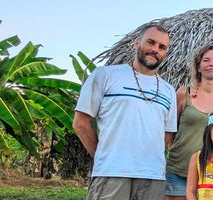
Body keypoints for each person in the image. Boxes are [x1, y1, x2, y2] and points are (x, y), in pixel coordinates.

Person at [73, 23, 177, 199]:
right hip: (112, 173)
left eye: (162, 47)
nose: (155, 49)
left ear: (165, 53)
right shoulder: (105, 75)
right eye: (150, 42)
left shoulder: (168, 91)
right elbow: (81, 122)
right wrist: (102, 156)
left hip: (153, 177)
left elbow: (167, 136)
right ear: (137, 43)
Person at [166, 44, 213, 199]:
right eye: (206, 60)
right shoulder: (184, 94)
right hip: (179, 170)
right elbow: (170, 131)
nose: (211, 64)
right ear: (198, 66)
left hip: (211, 174)